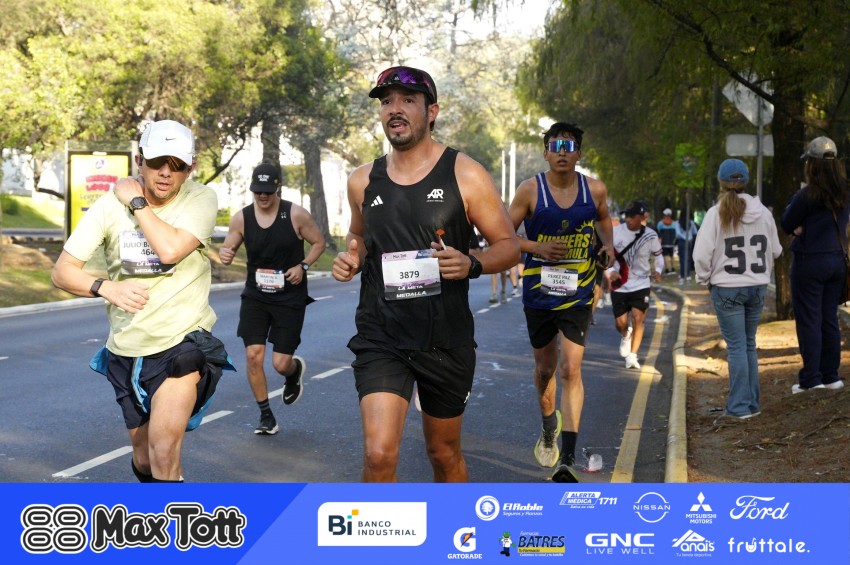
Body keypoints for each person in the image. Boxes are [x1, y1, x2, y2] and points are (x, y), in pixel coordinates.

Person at [332, 66, 519, 482]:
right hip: (382, 335)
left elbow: (508, 246)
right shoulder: (362, 180)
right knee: (378, 455)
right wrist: (353, 257)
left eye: (407, 100)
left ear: (431, 111)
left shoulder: (465, 173)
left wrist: (472, 263)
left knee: (443, 454)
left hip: (445, 339)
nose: (394, 109)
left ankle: (454, 526)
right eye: (386, 102)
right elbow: (358, 236)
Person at [51, 119, 233, 482]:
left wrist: (136, 202)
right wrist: (106, 287)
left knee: (164, 452)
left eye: (177, 165)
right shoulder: (107, 207)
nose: (166, 172)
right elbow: (62, 272)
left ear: (190, 169)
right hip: (127, 348)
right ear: (140, 161)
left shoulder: (200, 198)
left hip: (182, 343)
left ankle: (171, 518)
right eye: (157, 162)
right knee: (145, 459)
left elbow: (170, 250)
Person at [507, 122, 615, 483]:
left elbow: (604, 220)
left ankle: (567, 458)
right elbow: (503, 235)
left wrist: (608, 246)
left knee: (570, 369)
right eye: (556, 147)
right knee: (546, 370)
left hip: (578, 292)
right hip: (539, 293)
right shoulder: (530, 190)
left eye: (569, 147)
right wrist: (536, 247)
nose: (562, 153)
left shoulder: (594, 190)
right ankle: (548, 426)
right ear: (546, 153)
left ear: (579, 154)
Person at [219, 163, 326, 435]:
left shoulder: (296, 214)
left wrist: (303, 266)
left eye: (268, 191)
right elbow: (228, 248)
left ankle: (293, 371)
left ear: (278, 188)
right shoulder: (242, 218)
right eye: (258, 191)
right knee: (253, 356)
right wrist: (225, 254)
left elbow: (319, 242)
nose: (263, 196)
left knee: (280, 363)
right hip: (255, 297)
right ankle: (266, 415)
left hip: (289, 297)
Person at [693, 159, 782, 419]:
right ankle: (752, 404)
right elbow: (776, 250)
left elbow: (701, 254)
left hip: (727, 287)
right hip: (757, 286)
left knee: (736, 347)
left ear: (721, 183)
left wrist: (705, 279)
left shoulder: (715, 213)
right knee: (749, 344)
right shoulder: (763, 212)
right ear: (747, 181)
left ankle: (739, 407)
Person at [781, 136, 849, 393]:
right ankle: (831, 376)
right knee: (829, 318)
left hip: (810, 262)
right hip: (837, 261)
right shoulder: (845, 191)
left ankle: (811, 379)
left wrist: (800, 228)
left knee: (809, 319)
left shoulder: (806, 195)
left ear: (812, 165)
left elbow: (787, 223)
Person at [608, 201, 663, 370]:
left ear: (642, 217)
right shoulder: (615, 232)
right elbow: (605, 257)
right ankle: (626, 334)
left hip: (641, 283)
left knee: (638, 319)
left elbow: (658, 256)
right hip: (620, 284)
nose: (628, 219)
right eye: (627, 216)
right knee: (620, 323)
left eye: (632, 216)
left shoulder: (651, 235)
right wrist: (610, 271)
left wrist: (658, 270)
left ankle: (632, 355)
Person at [676, 211, 699, 283]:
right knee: (688, 258)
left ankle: (682, 275)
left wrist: (684, 237)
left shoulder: (678, 223)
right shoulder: (691, 223)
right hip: (689, 242)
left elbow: (678, 234)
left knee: (682, 258)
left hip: (682, 241)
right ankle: (688, 274)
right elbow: (695, 232)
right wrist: (689, 237)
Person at [657, 208, 678, 275]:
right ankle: (673, 269)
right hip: (672, 242)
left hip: (664, 242)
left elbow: (658, 231)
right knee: (672, 255)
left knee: (665, 256)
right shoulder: (674, 223)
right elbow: (676, 233)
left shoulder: (660, 223)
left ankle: (667, 269)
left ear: (664, 215)